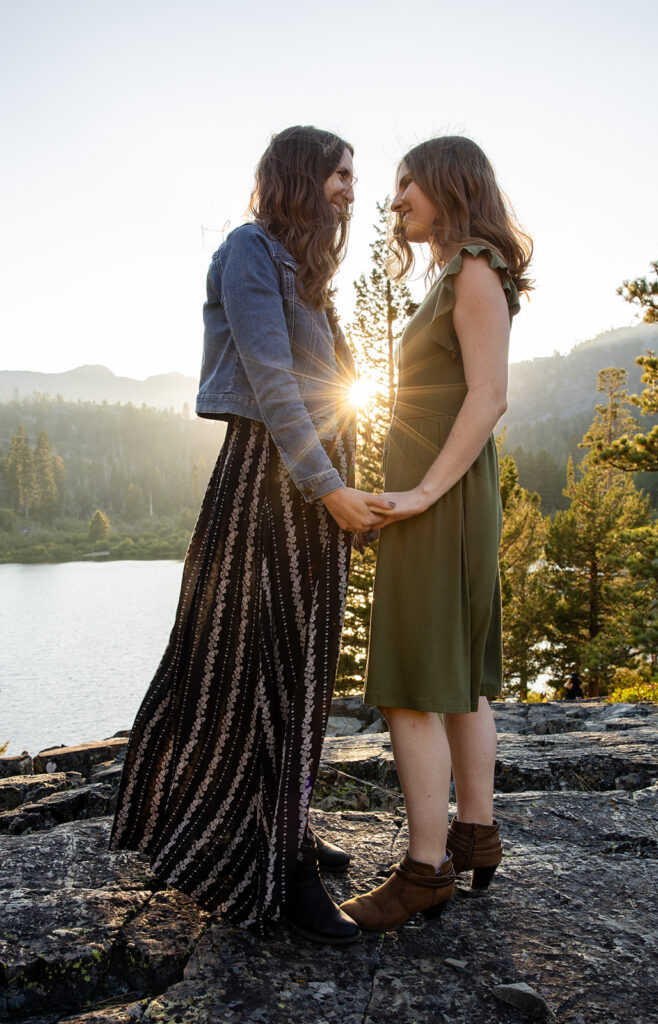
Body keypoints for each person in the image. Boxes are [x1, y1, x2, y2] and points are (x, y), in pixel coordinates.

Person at [109, 126, 391, 945]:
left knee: (300, 672)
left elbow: (335, 388)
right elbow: (272, 383)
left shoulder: (307, 271)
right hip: (269, 482)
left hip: (309, 479)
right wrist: (329, 486)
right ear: (303, 175)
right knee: (254, 670)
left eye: (354, 176)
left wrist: (347, 479)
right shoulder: (248, 251)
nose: (350, 188)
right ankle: (279, 877)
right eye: (341, 173)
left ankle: (288, 828)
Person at [340, 136, 533, 931]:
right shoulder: (457, 270)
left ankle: (425, 870)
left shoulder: (475, 268)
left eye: (406, 184)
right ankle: (474, 833)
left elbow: (488, 397)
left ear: (447, 183)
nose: (394, 202)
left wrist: (420, 492)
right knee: (454, 672)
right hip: (441, 496)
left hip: (442, 497)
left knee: (414, 681)